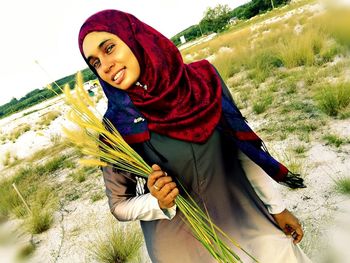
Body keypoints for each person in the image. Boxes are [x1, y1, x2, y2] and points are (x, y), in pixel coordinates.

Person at [78, 9, 312, 263]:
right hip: (182, 246)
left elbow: (243, 151)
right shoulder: (117, 124)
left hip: (242, 216)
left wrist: (277, 209)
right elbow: (119, 205)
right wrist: (157, 201)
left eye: (109, 48)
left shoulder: (203, 81)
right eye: (95, 63)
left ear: (134, 37)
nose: (105, 65)